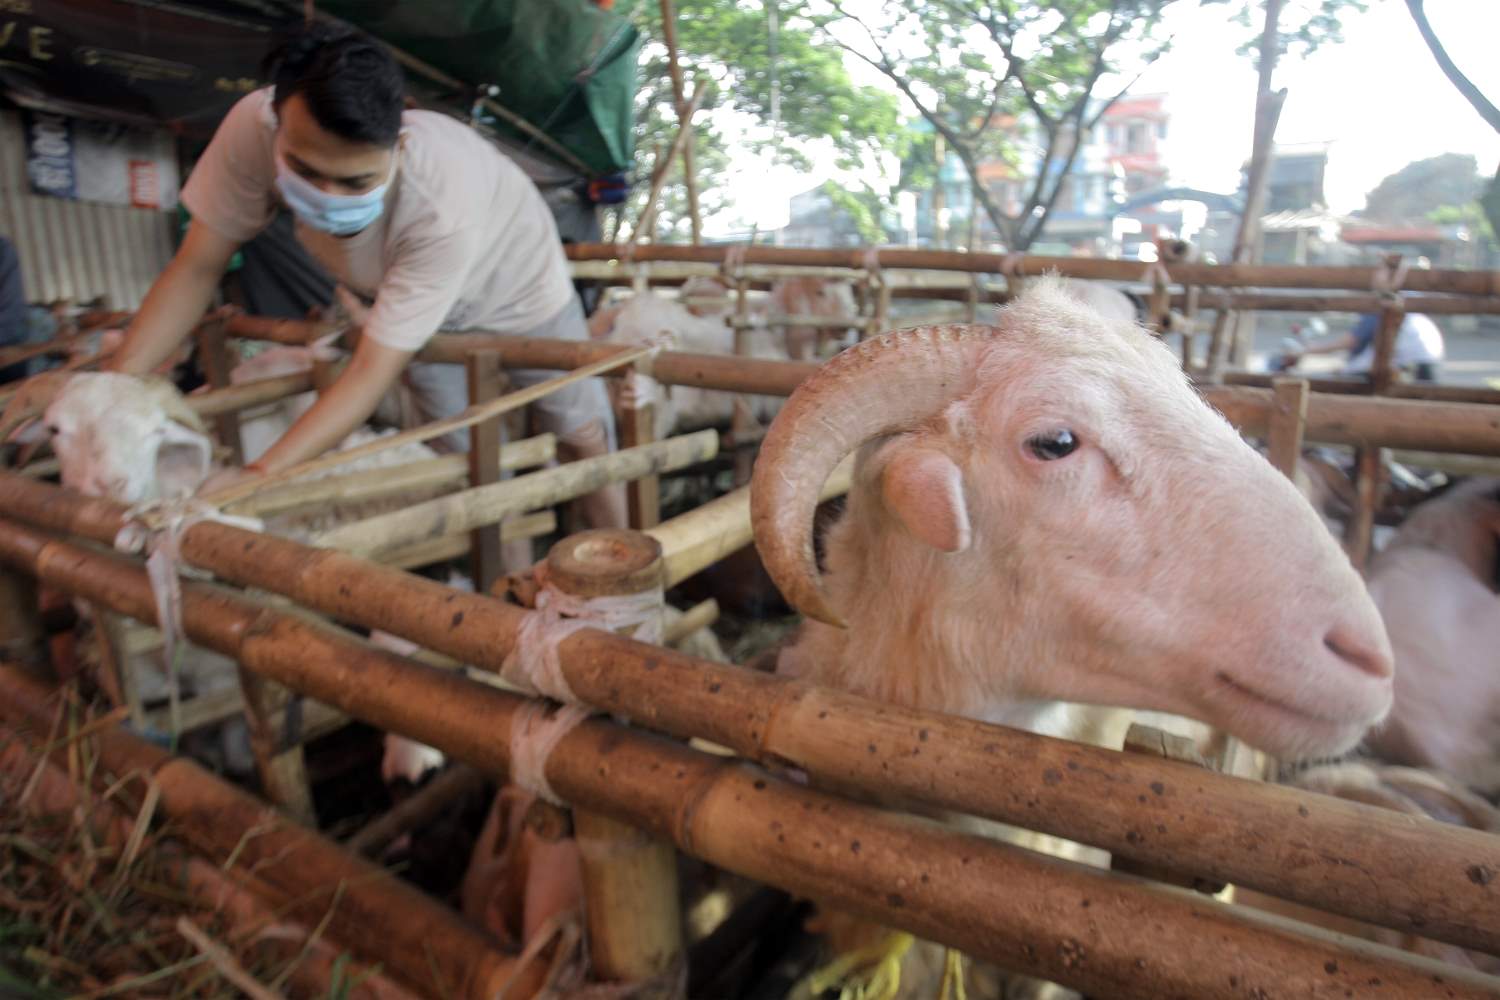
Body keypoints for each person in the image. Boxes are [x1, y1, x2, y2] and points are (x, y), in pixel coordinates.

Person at [98, 25, 625, 526]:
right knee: (461, 454)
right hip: (412, 309)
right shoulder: (248, 130)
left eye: (356, 181)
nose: (329, 196)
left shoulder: (441, 203)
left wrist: (257, 475)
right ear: (274, 121)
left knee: (580, 432)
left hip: (520, 295)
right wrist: (106, 392)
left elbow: (371, 370)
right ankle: (504, 562)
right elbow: (197, 265)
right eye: (305, 171)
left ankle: (627, 571)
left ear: (400, 142)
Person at [1284, 311, 1445, 382]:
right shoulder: (1412, 316)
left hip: (1407, 369)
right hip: (1430, 366)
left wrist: (1307, 351)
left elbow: (1349, 343)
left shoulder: (1381, 312)